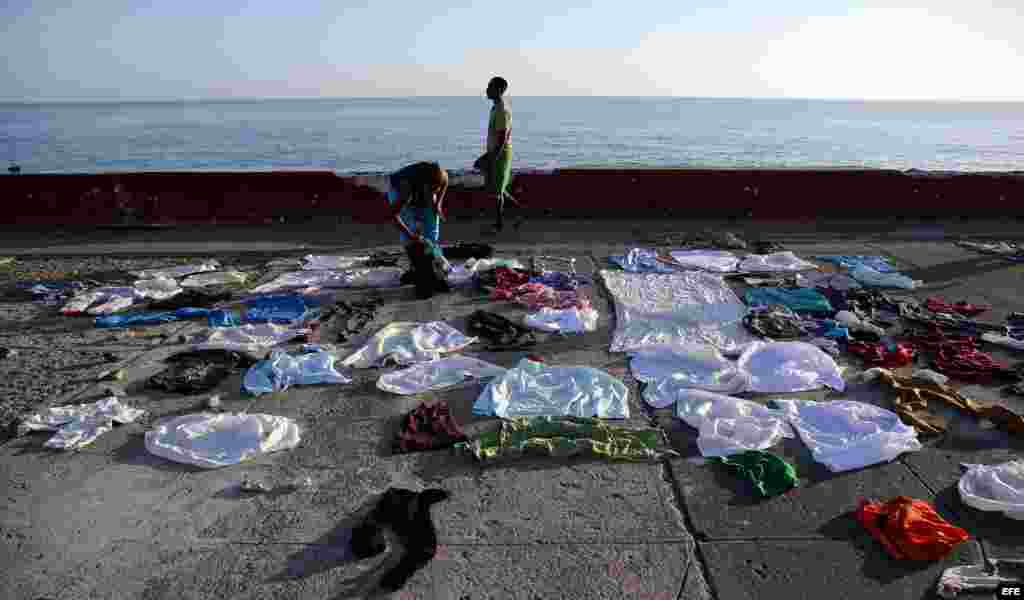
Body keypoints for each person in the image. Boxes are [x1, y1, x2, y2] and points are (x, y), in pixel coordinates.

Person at [386, 161, 451, 297]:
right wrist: (410, 234)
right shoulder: (406, 189)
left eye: (435, 191)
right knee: (412, 237)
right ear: (425, 186)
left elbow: (444, 184)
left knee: (431, 235)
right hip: (399, 190)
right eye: (431, 191)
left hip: (421, 188)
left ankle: (432, 272)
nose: (433, 194)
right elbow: (393, 216)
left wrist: (438, 204)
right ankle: (418, 271)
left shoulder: (442, 177)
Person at [476, 76, 523, 234]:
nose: (487, 90)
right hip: (495, 151)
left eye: (490, 87)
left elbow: (502, 138)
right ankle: (519, 212)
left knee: (496, 192)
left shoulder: (502, 110)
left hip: (500, 154)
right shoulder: (496, 108)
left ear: (500, 90)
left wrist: (492, 158)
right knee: (497, 189)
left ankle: (498, 225)